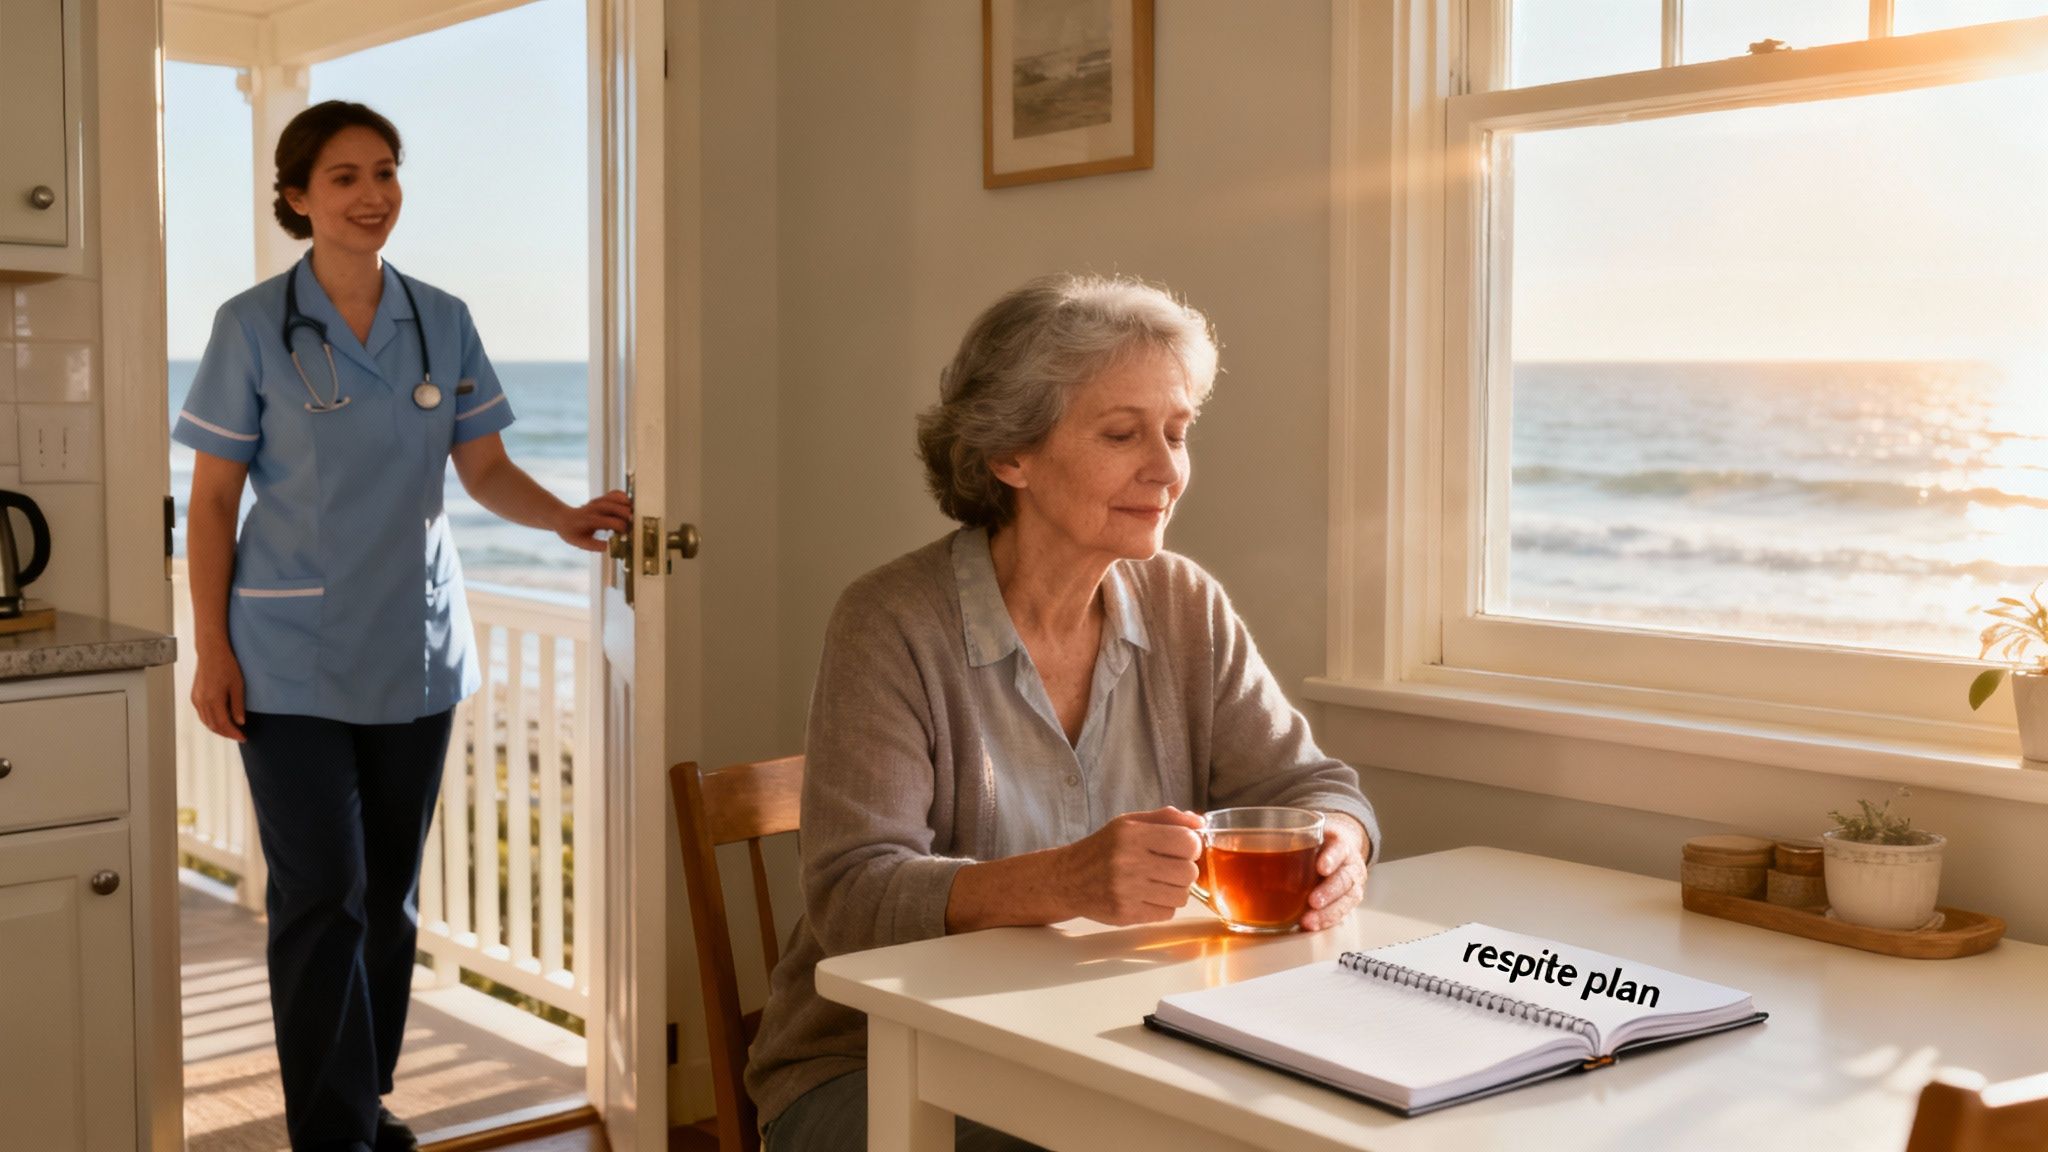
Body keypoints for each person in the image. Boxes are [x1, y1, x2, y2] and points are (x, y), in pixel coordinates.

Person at [745, 274, 1380, 1150]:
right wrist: (1066, 881)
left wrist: (1341, 842)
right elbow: (854, 895)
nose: (1166, 470)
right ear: (1012, 456)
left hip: (1114, 1038)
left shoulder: (1183, 602)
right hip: (877, 1063)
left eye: (1177, 432)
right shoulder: (890, 620)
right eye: (1122, 434)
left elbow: (1312, 783)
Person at [175, 101, 632, 1152]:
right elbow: (211, 505)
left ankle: (364, 1104)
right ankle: (331, 1136)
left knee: (388, 901)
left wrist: (561, 514)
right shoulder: (251, 325)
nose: (371, 194)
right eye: (342, 177)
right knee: (319, 895)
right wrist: (213, 648)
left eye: (385, 172)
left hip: (418, 652)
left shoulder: (443, 317)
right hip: (284, 657)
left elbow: (482, 469)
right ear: (297, 197)